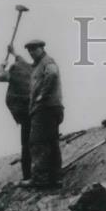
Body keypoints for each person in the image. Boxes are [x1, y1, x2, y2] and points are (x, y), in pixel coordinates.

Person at [24, 39, 64, 188]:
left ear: (42, 48)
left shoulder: (47, 62)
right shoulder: (38, 65)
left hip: (45, 109)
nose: (32, 52)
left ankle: (40, 179)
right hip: (51, 108)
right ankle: (55, 179)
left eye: (34, 49)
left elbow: (52, 75)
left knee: (38, 143)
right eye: (30, 50)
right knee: (51, 143)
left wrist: (42, 95)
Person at [0, 48, 33, 179]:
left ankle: (27, 176)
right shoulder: (29, 69)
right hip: (35, 111)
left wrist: (2, 65)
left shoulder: (14, 74)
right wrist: (14, 53)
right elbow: (22, 61)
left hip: (25, 114)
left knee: (26, 145)